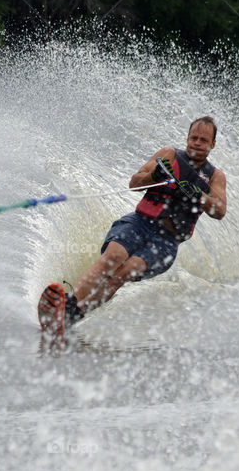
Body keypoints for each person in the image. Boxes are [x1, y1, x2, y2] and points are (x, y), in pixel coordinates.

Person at [38, 116, 227, 338]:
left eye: (203, 140)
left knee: (125, 272)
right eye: (193, 137)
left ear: (212, 145)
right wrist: (154, 175)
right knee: (112, 258)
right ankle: (68, 305)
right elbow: (134, 183)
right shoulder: (168, 155)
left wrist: (200, 196)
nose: (197, 142)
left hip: (167, 241)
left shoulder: (215, 177)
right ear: (187, 138)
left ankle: (74, 315)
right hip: (140, 222)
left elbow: (220, 211)